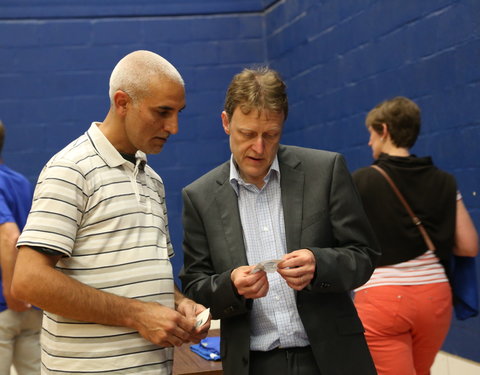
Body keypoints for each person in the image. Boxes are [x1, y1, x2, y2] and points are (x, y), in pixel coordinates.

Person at [11, 50, 210, 375]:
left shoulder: (152, 180)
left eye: (178, 112)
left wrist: (179, 303)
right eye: (162, 112)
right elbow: (28, 280)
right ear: (122, 102)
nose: (173, 126)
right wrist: (137, 315)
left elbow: (149, 276)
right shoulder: (70, 169)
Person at [179, 67, 381, 375]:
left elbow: (364, 256)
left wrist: (320, 264)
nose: (259, 148)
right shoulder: (200, 196)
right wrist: (231, 285)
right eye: (247, 134)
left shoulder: (325, 171)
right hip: (254, 363)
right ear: (225, 123)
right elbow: (195, 286)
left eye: (270, 135)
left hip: (331, 358)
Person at [351, 96, 479, 375]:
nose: (370, 143)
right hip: (435, 298)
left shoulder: (361, 181)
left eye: (371, 135)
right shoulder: (445, 180)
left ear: (384, 130)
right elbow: (469, 246)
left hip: (382, 299)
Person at [0, 121, 42, 375]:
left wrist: (11, 291)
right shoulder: (20, 182)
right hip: (31, 306)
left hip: (6, 304)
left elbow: (9, 237)